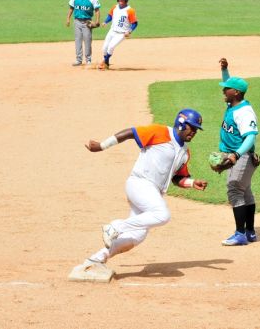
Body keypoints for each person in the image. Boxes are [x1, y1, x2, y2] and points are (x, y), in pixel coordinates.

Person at [71, 109, 209, 279]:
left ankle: (96, 259)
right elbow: (131, 132)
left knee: (136, 236)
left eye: (196, 129)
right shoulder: (161, 132)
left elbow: (178, 178)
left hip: (151, 193)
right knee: (162, 215)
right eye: (192, 128)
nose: (194, 132)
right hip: (140, 183)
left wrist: (192, 183)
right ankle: (115, 227)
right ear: (181, 123)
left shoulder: (185, 153)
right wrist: (101, 146)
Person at [217, 58, 260, 246]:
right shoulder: (233, 104)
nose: (223, 90)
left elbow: (250, 137)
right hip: (236, 155)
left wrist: (235, 155)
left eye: (226, 88)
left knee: (235, 190)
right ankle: (250, 232)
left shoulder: (244, 112)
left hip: (241, 155)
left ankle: (240, 234)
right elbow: (229, 83)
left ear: (236, 92)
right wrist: (225, 70)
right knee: (246, 192)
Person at [98, 0, 137, 70]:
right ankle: (107, 64)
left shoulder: (130, 10)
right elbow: (110, 15)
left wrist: (129, 31)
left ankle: (103, 62)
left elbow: (135, 23)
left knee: (111, 47)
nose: (121, 0)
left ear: (126, 0)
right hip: (112, 31)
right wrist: (105, 21)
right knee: (104, 48)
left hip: (122, 34)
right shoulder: (115, 7)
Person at [66, 0, 100, 66]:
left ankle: (88, 60)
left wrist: (97, 21)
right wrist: (68, 18)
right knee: (78, 41)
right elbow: (71, 8)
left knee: (87, 41)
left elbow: (97, 10)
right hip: (77, 21)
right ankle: (78, 60)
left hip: (87, 22)